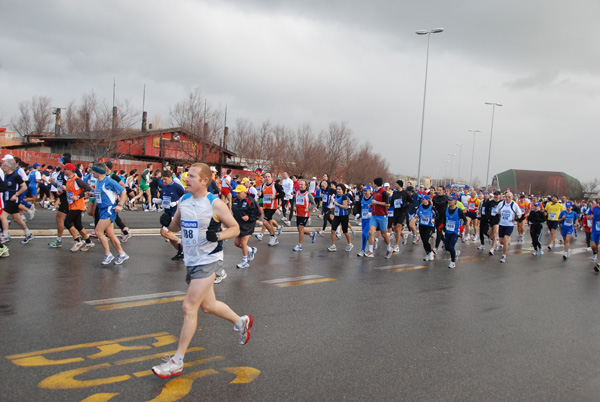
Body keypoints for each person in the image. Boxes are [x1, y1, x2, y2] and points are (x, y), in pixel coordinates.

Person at [151, 163, 253, 379]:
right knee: (208, 306)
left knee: (189, 307)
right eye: (187, 176)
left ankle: (177, 361)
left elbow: (234, 228)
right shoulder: (185, 200)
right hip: (191, 259)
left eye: (192, 176)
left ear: (205, 180)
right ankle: (240, 321)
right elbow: (176, 226)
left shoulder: (214, 204)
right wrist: (167, 225)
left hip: (210, 259)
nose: (186, 179)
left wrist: (217, 236)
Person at [88, 162, 129, 265]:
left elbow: (123, 191)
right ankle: (122, 254)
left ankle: (108, 254)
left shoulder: (109, 181)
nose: (91, 171)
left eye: (92, 170)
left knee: (98, 232)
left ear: (98, 172)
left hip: (109, 210)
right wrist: (91, 194)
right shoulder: (98, 182)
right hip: (102, 210)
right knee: (110, 234)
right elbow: (102, 195)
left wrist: (120, 205)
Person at [60, 163, 94, 251]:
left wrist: (78, 197)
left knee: (67, 222)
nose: (64, 171)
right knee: (78, 225)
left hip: (78, 205)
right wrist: (63, 191)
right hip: (71, 205)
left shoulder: (77, 180)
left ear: (70, 170)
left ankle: (77, 240)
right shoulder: (69, 179)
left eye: (65, 169)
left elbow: (87, 188)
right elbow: (70, 191)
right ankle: (88, 241)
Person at [1, 156, 34, 244]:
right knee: (17, 219)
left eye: (4, 166)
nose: (2, 167)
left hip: (13, 200)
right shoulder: (6, 175)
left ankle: (5, 235)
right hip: (8, 199)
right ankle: (28, 233)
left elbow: (24, 187)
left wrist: (16, 195)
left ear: (8, 167)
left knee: (2, 217)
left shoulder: (16, 176)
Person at [158, 169, 186, 260]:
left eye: (165, 179)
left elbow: (185, 198)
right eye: (163, 179)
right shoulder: (165, 187)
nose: (164, 181)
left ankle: (182, 243)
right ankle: (181, 252)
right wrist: (159, 201)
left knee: (164, 232)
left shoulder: (177, 187)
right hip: (167, 214)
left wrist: (177, 202)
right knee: (170, 236)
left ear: (171, 177)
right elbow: (163, 199)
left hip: (175, 214)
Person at [232, 184, 259, 267]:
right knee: (237, 243)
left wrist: (249, 217)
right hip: (238, 224)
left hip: (248, 224)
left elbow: (258, 212)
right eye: (236, 192)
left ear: (244, 192)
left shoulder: (250, 201)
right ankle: (251, 250)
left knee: (243, 242)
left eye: (239, 193)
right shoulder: (235, 200)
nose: (237, 194)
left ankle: (245, 261)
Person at [366, 178, 392, 258]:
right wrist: (372, 205)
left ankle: (389, 248)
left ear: (376, 184)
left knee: (384, 234)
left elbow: (388, 204)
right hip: (374, 215)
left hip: (382, 216)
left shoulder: (383, 192)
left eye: (373, 183)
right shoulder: (375, 192)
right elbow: (375, 202)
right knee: (371, 232)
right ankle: (370, 251)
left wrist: (377, 203)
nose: (372, 184)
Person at [494, 191, 523, 263]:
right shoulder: (501, 204)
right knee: (501, 241)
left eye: (509, 197)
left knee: (506, 240)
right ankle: (505, 245)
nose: (507, 198)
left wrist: (518, 217)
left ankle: (503, 256)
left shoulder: (514, 205)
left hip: (509, 225)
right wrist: (498, 214)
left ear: (512, 198)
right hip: (501, 224)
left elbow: (519, 213)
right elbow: (497, 211)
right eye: (506, 197)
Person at [259, 172, 284, 246]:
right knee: (269, 223)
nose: (267, 178)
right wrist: (260, 195)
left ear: (271, 177)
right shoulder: (263, 185)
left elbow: (282, 194)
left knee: (264, 222)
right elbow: (263, 196)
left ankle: (273, 236)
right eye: (265, 177)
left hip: (272, 207)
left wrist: (275, 197)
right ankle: (274, 238)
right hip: (266, 206)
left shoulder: (275, 185)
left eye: (268, 176)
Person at [292, 179, 317, 251]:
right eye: (300, 185)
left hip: (305, 214)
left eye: (302, 185)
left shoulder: (308, 194)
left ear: (306, 186)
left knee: (300, 228)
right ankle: (311, 234)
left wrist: (308, 209)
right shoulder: (297, 193)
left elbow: (313, 204)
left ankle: (300, 245)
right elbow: (294, 201)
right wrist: (294, 206)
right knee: (299, 230)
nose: (300, 186)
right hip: (298, 213)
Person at [328, 183, 353, 252]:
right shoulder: (336, 196)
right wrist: (333, 207)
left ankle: (349, 244)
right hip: (337, 216)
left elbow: (345, 207)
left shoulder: (344, 197)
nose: (338, 190)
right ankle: (333, 245)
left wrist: (338, 204)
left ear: (343, 190)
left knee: (345, 231)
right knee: (333, 230)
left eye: (339, 189)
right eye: (337, 189)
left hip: (344, 216)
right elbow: (337, 206)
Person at [445, 196, 467, 269]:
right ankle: (455, 252)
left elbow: (465, 219)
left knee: (451, 246)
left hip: (455, 231)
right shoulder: (447, 209)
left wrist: (463, 226)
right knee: (446, 247)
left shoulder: (458, 210)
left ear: (455, 202)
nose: (449, 202)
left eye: (451, 200)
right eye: (449, 200)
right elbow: (444, 218)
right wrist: (442, 224)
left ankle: (453, 262)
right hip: (448, 231)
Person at [354, 185, 373, 257]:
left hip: (370, 220)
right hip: (364, 219)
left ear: (370, 191)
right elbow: (358, 206)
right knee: (365, 235)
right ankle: (373, 241)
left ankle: (362, 250)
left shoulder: (373, 198)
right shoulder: (362, 198)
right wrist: (357, 214)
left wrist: (371, 213)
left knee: (364, 234)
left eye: (366, 191)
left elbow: (376, 208)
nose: (365, 192)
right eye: (364, 191)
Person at [417, 195, 437, 261]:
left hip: (429, 226)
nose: (422, 200)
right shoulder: (420, 207)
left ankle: (430, 253)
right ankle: (428, 253)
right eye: (422, 199)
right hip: (421, 225)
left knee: (426, 240)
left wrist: (434, 219)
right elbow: (417, 213)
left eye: (424, 199)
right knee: (424, 241)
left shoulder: (431, 208)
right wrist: (416, 216)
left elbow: (437, 215)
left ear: (427, 200)